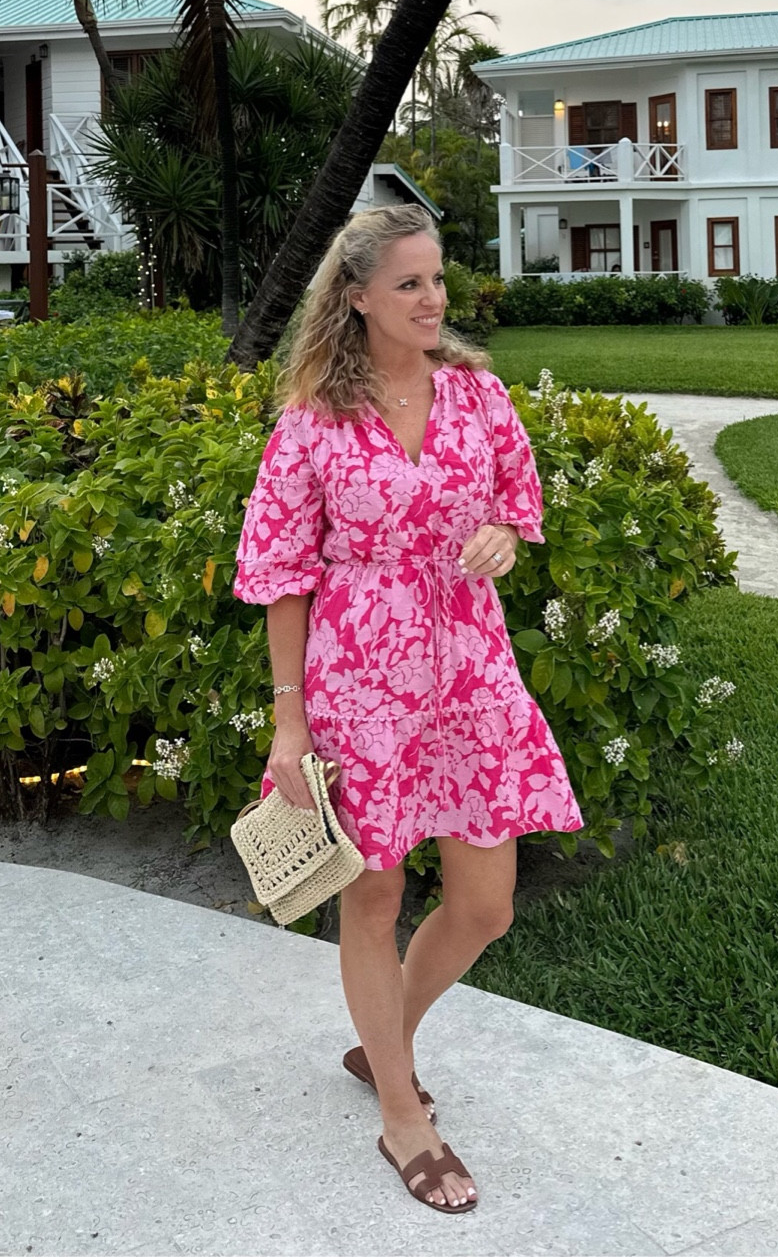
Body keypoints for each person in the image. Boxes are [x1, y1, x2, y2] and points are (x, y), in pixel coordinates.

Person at [233, 203, 584, 1215]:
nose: (433, 300)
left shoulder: (476, 393)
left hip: (470, 669)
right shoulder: (314, 420)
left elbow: (515, 501)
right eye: (409, 284)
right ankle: (400, 1110)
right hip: (361, 679)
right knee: (374, 896)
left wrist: (501, 538)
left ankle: (381, 1036)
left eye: (437, 280)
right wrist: (289, 721)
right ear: (355, 296)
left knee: (485, 904)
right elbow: (282, 575)